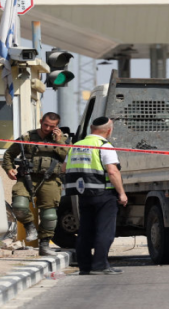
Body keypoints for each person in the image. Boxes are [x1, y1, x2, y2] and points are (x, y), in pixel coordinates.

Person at [64, 117, 128, 275]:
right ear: (109, 130)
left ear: (91, 128)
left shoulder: (76, 146)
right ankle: (100, 265)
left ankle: (84, 266)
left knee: (85, 230)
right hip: (103, 193)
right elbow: (112, 171)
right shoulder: (104, 146)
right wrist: (121, 193)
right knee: (104, 230)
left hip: (83, 194)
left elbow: (64, 167)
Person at [2, 112, 69, 256]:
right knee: (19, 205)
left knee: (49, 215)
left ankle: (44, 245)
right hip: (27, 177)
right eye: (45, 125)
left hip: (50, 179)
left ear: (57, 126)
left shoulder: (62, 139)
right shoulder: (27, 137)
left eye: (52, 126)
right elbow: (9, 154)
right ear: (40, 121)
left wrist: (59, 142)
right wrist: (9, 169)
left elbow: (67, 158)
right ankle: (29, 226)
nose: (47, 128)